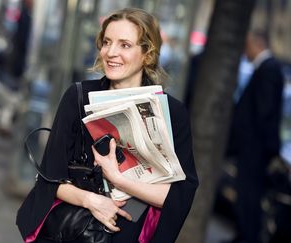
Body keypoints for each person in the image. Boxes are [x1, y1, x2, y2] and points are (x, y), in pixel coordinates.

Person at [16, 8, 198, 243]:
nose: (111, 53)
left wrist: (118, 178)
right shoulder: (78, 97)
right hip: (73, 231)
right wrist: (91, 201)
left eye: (125, 45)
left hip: (130, 233)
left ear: (147, 53)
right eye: (107, 42)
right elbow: (49, 181)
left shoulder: (172, 113)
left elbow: (177, 197)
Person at [226, 29, 285, 243]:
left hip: (255, 149)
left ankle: (247, 237)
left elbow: (263, 111)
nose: (245, 52)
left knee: (249, 196)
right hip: (254, 147)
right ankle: (244, 235)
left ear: (256, 44)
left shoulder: (268, 69)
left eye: (246, 46)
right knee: (246, 196)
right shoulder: (267, 69)